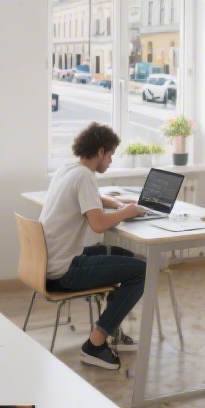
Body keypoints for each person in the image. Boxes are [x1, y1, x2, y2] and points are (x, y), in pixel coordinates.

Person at [39, 122, 148, 370]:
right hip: (66, 271)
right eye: (110, 155)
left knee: (121, 255)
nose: (110, 161)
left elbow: (93, 199)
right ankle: (95, 344)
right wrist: (127, 212)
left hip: (50, 264)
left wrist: (117, 204)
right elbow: (98, 225)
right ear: (100, 152)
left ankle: (112, 327)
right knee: (141, 271)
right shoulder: (85, 176)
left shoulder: (68, 170)